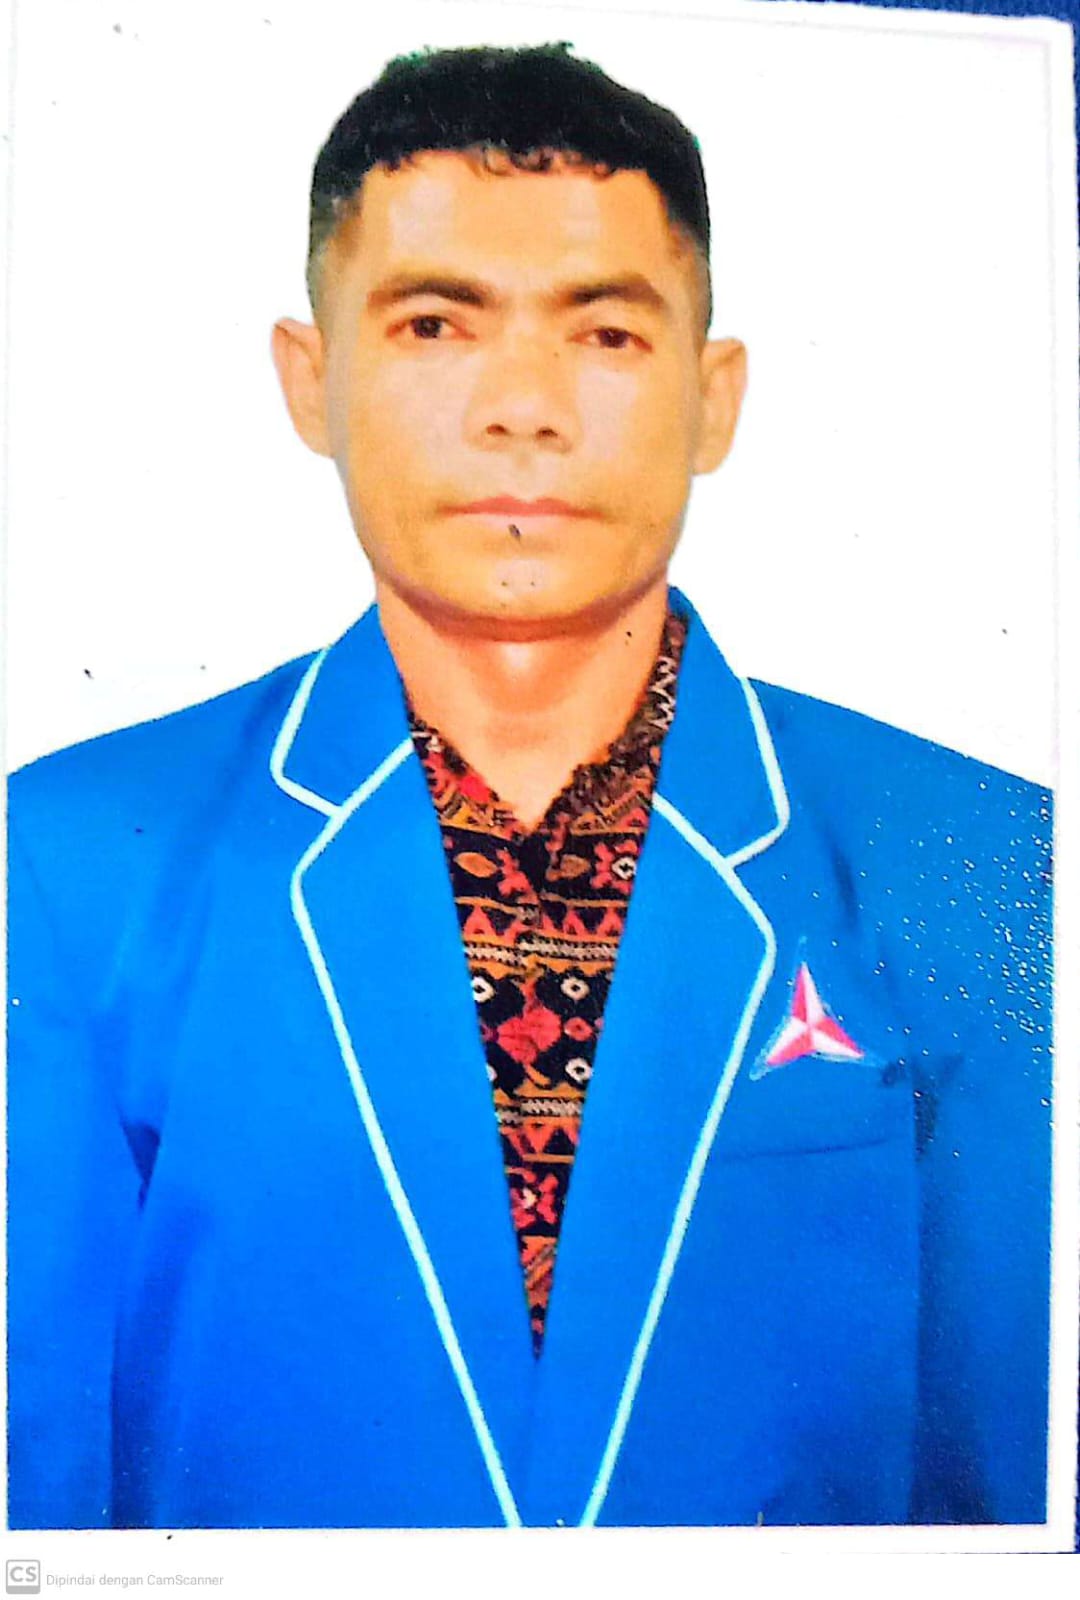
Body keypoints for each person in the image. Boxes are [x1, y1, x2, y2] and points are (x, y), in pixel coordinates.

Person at [6, 42, 1053, 1531]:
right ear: (312, 380)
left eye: (606, 334)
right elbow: (34, 1485)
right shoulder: (69, 863)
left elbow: (1021, 1493)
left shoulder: (990, 865)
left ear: (714, 397)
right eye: (435, 324)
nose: (522, 407)